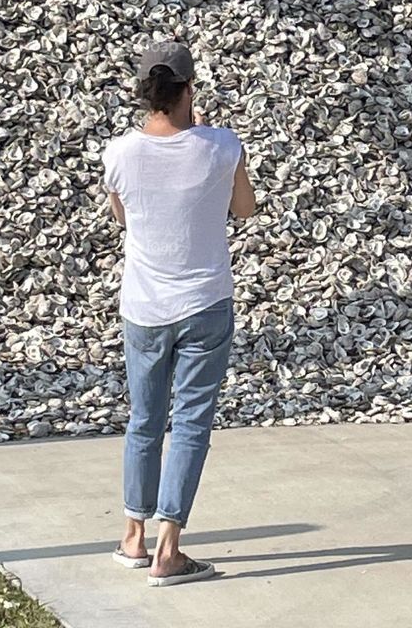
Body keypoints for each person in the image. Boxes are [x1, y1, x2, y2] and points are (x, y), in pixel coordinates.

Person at [102, 40, 256, 587]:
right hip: (206, 302)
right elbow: (245, 209)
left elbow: (124, 217)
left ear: (145, 93)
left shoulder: (118, 153)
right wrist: (209, 140)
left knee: (144, 420)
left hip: (144, 307)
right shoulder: (222, 146)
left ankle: (132, 539)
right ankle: (170, 551)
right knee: (190, 423)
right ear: (190, 89)